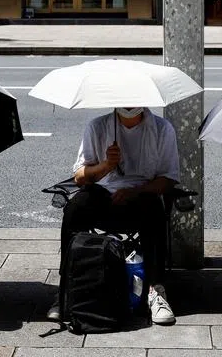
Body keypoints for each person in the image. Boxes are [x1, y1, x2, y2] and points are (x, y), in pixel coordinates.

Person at [48, 106, 181, 326]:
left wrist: (136, 191)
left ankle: (155, 288)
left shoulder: (162, 129)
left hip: (141, 195)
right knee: (75, 208)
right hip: (103, 193)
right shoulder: (97, 126)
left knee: (155, 207)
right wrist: (106, 165)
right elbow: (80, 176)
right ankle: (66, 290)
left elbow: (169, 178)